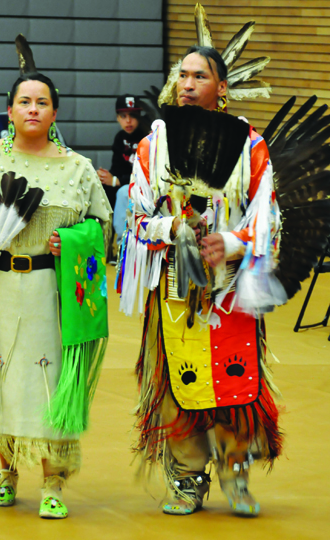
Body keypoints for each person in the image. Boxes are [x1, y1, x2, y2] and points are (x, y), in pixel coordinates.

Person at [0, 39, 112, 520]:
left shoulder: (78, 170)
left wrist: (71, 244)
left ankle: (53, 480)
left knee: (49, 383)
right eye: (24, 102)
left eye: (42, 102)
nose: (33, 109)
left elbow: (104, 231)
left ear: (56, 112)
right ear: (9, 111)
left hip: (53, 293)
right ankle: (7, 472)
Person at [117, 43, 285, 518]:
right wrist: (173, 227)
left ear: (222, 89)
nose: (187, 84)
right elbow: (136, 215)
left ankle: (235, 477)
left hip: (230, 288)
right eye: (183, 75)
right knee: (177, 385)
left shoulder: (250, 145)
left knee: (237, 384)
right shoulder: (154, 145)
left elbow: (268, 218)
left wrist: (231, 243)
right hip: (173, 285)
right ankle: (187, 481)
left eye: (200, 77)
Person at [98, 95, 146, 257]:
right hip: (123, 182)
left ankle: (121, 244)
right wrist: (107, 177)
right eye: (123, 116)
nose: (128, 121)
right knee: (102, 190)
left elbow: (146, 172)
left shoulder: (145, 138)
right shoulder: (119, 138)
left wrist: (118, 180)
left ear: (139, 117)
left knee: (121, 191)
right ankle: (104, 243)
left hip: (141, 185)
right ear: (118, 118)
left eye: (132, 116)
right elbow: (116, 168)